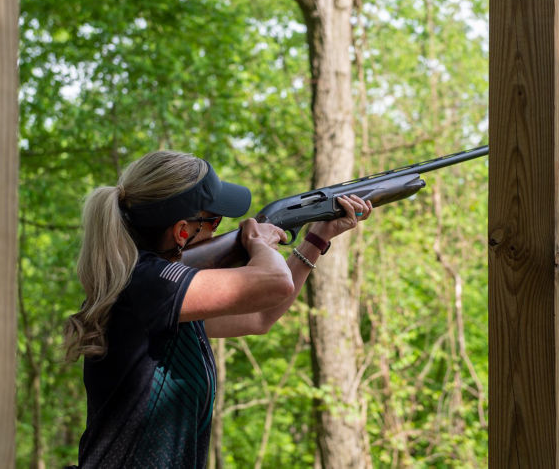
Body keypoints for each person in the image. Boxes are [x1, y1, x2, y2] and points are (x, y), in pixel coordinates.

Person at [63, 150, 372, 468]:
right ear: (183, 231)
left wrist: (318, 237)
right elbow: (275, 282)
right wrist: (260, 244)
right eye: (214, 221)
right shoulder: (149, 283)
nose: (223, 229)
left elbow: (260, 317)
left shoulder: (172, 292)